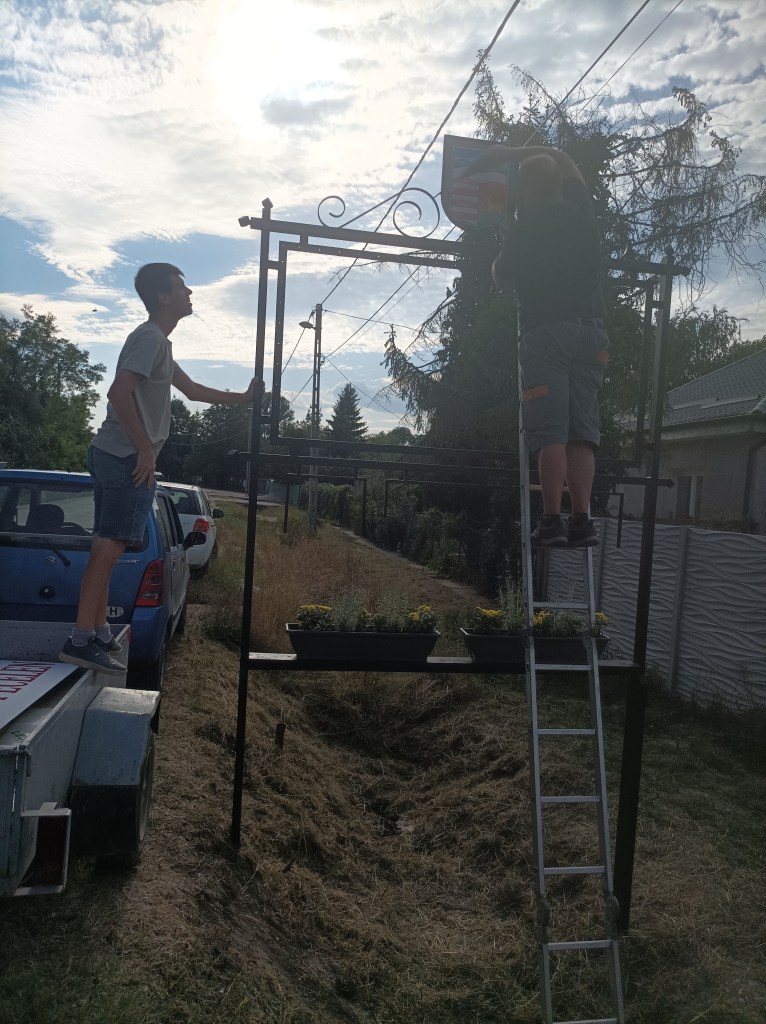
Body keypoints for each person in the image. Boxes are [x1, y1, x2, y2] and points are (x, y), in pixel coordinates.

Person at [60, 262, 258, 673]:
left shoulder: (160, 344)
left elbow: (192, 391)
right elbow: (118, 393)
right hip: (125, 457)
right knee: (108, 548)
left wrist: (243, 398)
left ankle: (97, 630)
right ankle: (80, 639)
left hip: (116, 454)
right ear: (164, 297)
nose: (190, 294)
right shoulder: (149, 338)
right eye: (182, 288)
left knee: (107, 546)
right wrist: (145, 451)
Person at [463, 144, 609, 547]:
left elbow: (501, 277)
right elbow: (564, 158)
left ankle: (551, 520)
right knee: (582, 432)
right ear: (558, 184)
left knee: (551, 431)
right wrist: (512, 152)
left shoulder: (524, 231)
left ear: (524, 192)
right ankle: (582, 521)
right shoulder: (580, 211)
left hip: (546, 336)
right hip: (593, 336)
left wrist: (502, 244)